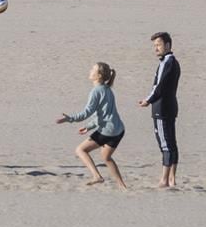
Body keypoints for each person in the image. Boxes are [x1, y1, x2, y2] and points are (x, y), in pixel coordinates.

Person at [54, 61, 127, 189]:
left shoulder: (96, 91)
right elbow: (103, 114)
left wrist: (69, 119)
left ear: (99, 75)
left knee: (80, 150)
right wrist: (89, 127)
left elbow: (86, 113)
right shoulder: (107, 89)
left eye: (93, 69)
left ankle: (97, 176)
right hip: (119, 130)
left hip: (107, 131)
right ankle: (123, 187)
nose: (90, 71)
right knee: (106, 157)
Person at [136, 32, 181, 189]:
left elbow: (159, 87)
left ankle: (165, 180)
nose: (156, 48)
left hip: (162, 108)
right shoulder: (170, 62)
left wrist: (148, 100)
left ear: (167, 45)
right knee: (171, 143)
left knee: (166, 144)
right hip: (168, 106)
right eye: (154, 46)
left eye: (158, 45)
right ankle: (172, 179)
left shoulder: (168, 63)